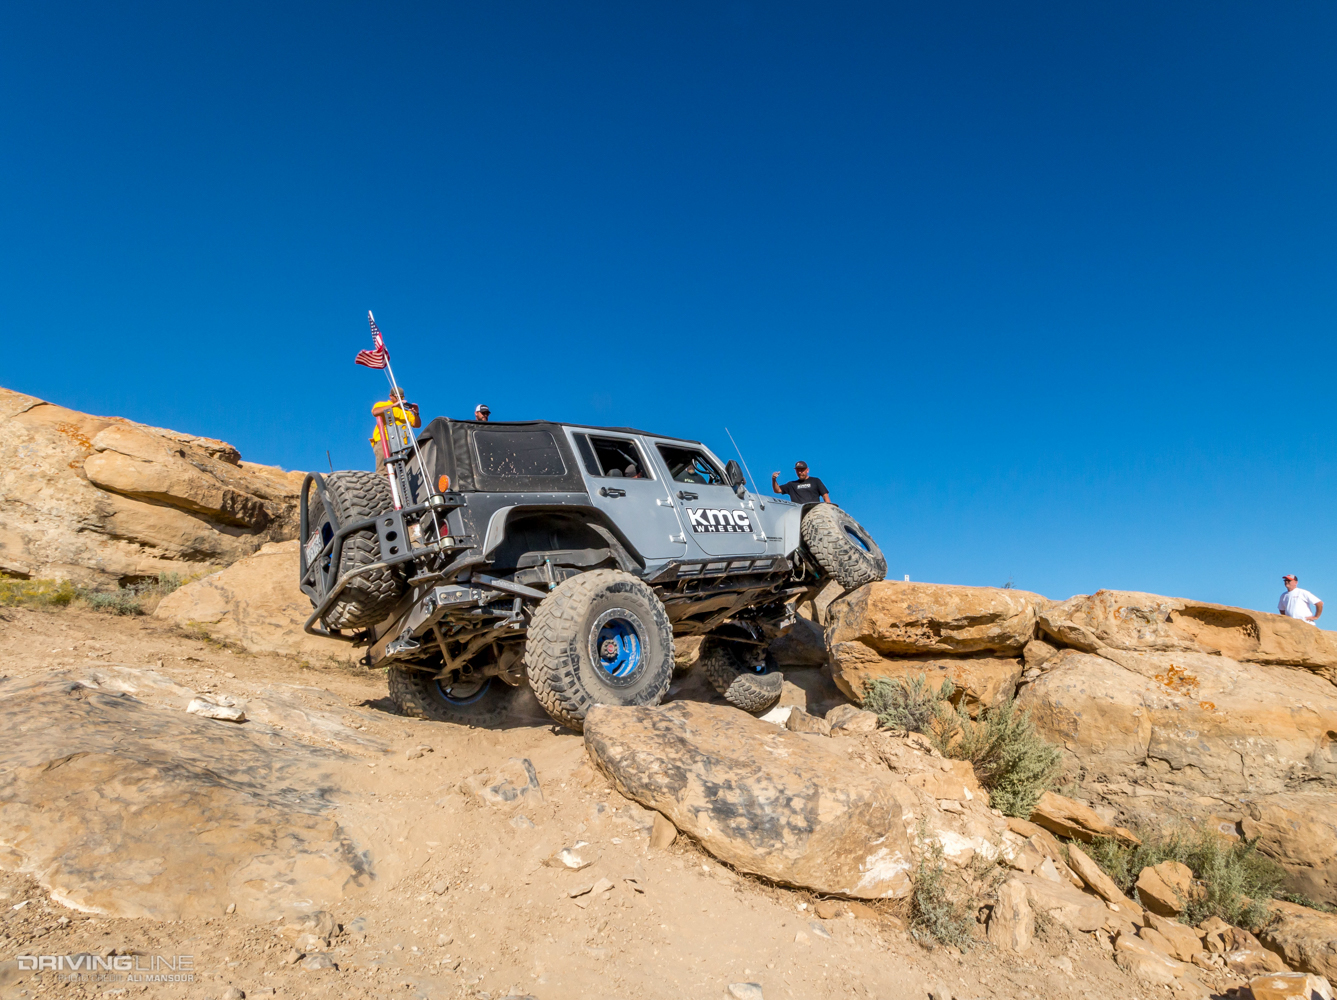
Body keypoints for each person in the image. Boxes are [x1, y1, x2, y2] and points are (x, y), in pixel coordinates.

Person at [369, 387, 420, 473]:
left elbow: (416, 425)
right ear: (391, 396)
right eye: (397, 397)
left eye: (402, 397)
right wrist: (394, 405)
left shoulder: (406, 412)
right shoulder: (383, 404)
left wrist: (416, 413)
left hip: (401, 444)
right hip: (385, 440)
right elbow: (375, 412)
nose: (400, 399)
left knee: (399, 471)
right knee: (383, 470)